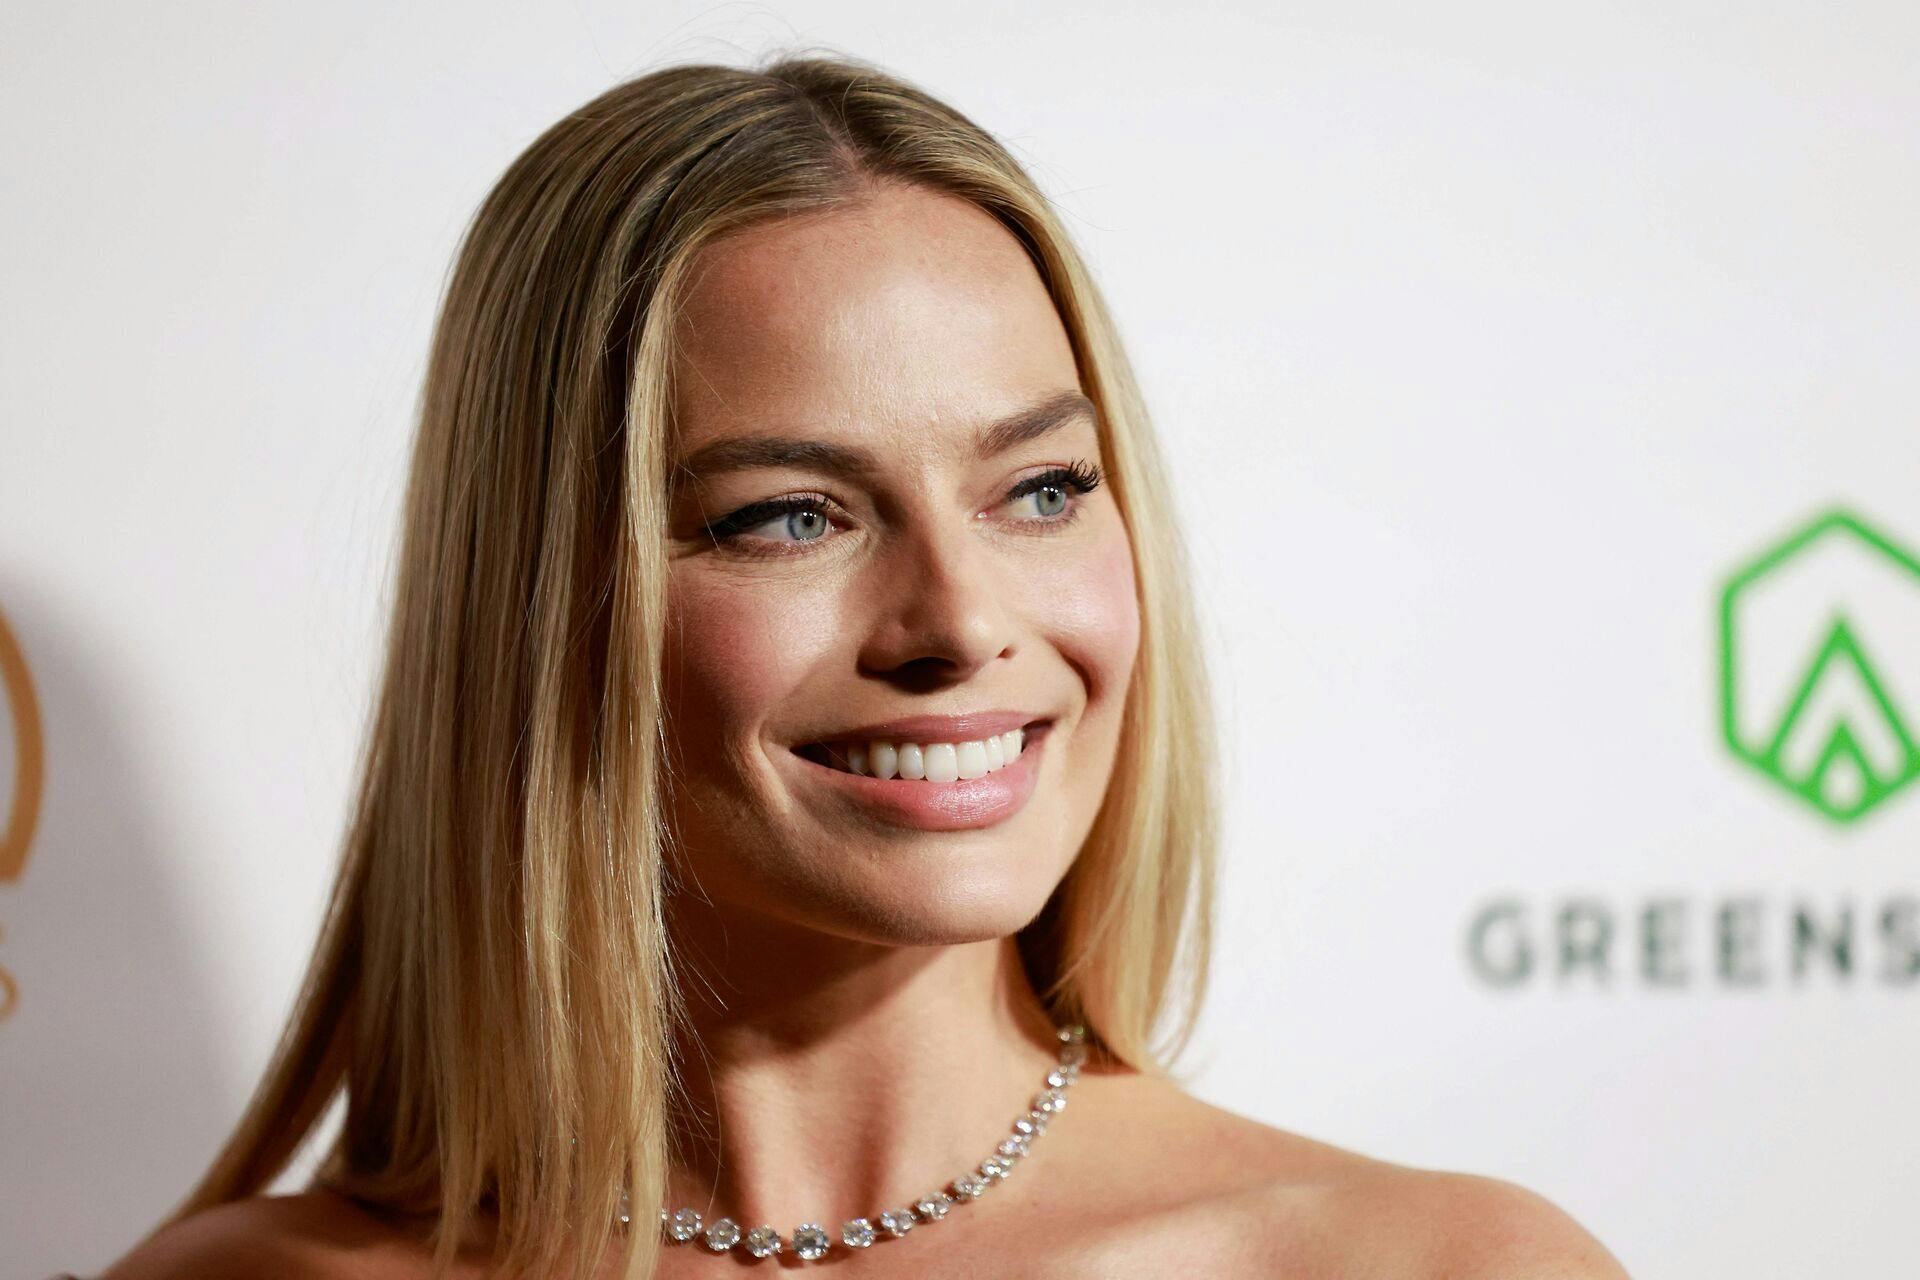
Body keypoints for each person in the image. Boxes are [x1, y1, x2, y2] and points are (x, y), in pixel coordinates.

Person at [87, 51, 1628, 1280]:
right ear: (543, 604)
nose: (959, 622)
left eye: (1041, 489)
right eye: (790, 516)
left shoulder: (1443, 1268)